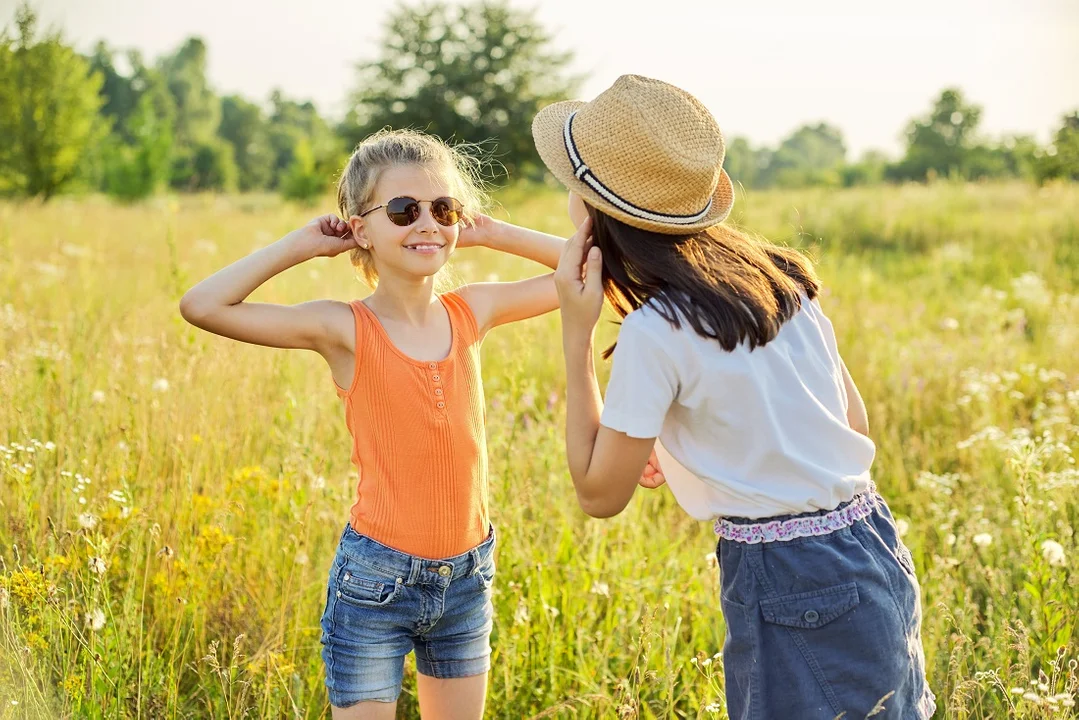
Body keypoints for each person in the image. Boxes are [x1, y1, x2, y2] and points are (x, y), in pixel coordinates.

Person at [536, 75, 936, 719]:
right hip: (872, 545)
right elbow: (850, 424)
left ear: (592, 207)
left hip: (787, 578)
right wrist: (696, 448)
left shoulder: (654, 331)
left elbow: (599, 494)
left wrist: (576, 332)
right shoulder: (779, 280)